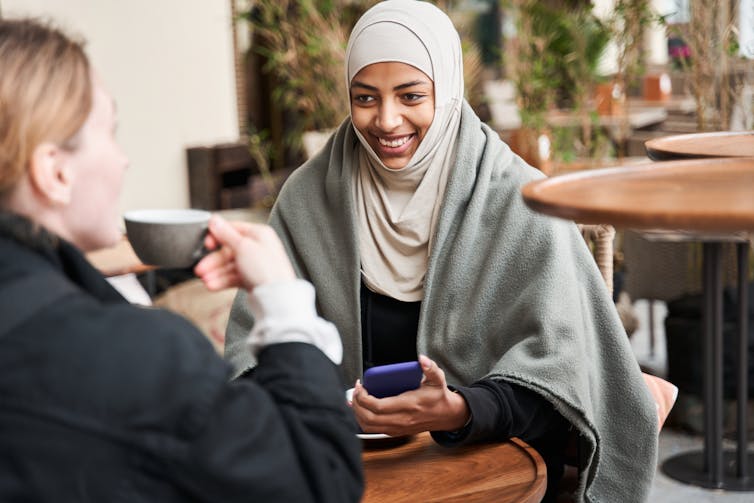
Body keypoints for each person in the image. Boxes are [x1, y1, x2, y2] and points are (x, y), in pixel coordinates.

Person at [225, 0, 657, 501]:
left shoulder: (518, 199)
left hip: (487, 467)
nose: (387, 121)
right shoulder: (307, 198)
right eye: (365, 98)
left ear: (448, 93)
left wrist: (461, 411)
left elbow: (566, 378)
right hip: (344, 470)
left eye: (411, 96)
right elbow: (251, 353)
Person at [0, 18, 362, 502]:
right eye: (111, 132)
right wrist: (284, 301)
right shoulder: (133, 360)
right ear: (54, 171)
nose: (122, 160)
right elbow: (321, 477)